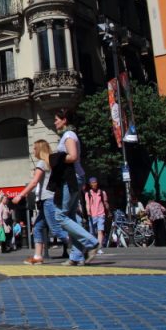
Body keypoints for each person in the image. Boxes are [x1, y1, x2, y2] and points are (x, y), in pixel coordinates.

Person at [52, 108, 99, 266]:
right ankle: (76, 256)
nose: (55, 122)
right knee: (71, 217)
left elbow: (73, 156)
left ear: (64, 120)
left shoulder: (69, 135)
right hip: (73, 178)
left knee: (60, 216)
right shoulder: (68, 135)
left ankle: (91, 242)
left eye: (57, 119)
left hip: (71, 178)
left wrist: (57, 158)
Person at [18, 140, 68, 265]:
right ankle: (38, 256)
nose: (33, 151)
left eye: (35, 148)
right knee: (38, 228)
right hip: (50, 198)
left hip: (48, 200)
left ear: (39, 149)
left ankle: (83, 246)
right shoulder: (51, 162)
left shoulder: (41, 163)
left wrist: (20, 195)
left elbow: (34, 182)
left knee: (56, 229)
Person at [84, 177, 110, 254]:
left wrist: (108, 211)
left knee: (100, 231)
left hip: (101, 214)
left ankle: (99, 247)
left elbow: (105, 202)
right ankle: (93, 246)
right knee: (91, 232)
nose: (94, 184)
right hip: (92, 215)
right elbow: (87, 204)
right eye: (92, 183)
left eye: (95, 182)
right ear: (90, 184)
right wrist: (88, 211)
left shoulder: (102, 192)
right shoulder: (88, 194)